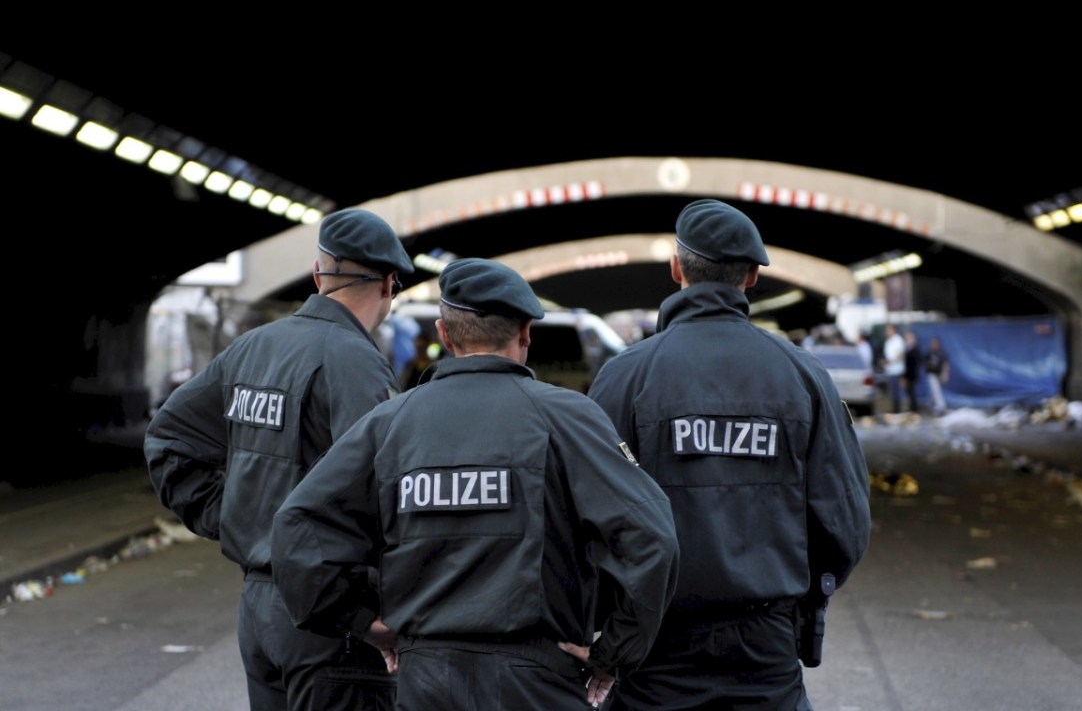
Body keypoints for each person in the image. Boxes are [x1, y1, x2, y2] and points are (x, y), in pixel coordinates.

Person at [271, 257, 680, 710]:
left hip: (424, 680)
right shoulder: (567, 418)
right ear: (526, 333)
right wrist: (614, 654)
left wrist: (361, 622)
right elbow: (651, 538)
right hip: (535, 682)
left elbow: (297, 525)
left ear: (445, 335)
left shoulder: (390, 422)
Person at [587, 198, 872, 710]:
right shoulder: (802, 375)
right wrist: (802, 596)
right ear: (753, 276)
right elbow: (844, 519)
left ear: (676, 269)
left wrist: (614, 624)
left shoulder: (625, 377)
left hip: (654, 645)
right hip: (766, 646)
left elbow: (589, 515)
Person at [144, 208, 414, 711]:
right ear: (388, 284)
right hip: (331, 623)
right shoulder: (356, 363)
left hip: (260, 612)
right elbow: (386, 495)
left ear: (317, 274)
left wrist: (233, 516)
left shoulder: (252, 348)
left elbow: (169, 439)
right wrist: (369, 614)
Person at [882, 323, 906, 414]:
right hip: (890, 370)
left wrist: (889, 361)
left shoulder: (898, 340)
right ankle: (894, 410)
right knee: (892, 392)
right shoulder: (887, 342)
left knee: (897, 392)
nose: (886, 332)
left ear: (893, 330)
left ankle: (898, 411)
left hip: (897, 370)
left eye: (888, 330)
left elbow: (899, 355)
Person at [923, 335, 950, 415]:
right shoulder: (929, 352)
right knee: (936, 390)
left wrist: (945, 374)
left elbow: (946, 364)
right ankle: (941, 406)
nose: (934, 345)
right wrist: (930, 365)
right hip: (931, 374)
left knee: (935, 392)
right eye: (933, 343)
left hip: (939, 374)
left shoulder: (941, 353)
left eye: (935, 343)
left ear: (938, 344)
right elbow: (925, 363)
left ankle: (931, 405)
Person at [903, 330, 922, 413]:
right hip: (907, 374)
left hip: (912, 374)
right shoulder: (907, 349)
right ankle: (912, 408)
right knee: (909, 392)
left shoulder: (915, 350)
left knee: (912, 392)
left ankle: (914, 409)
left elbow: (916, 362)